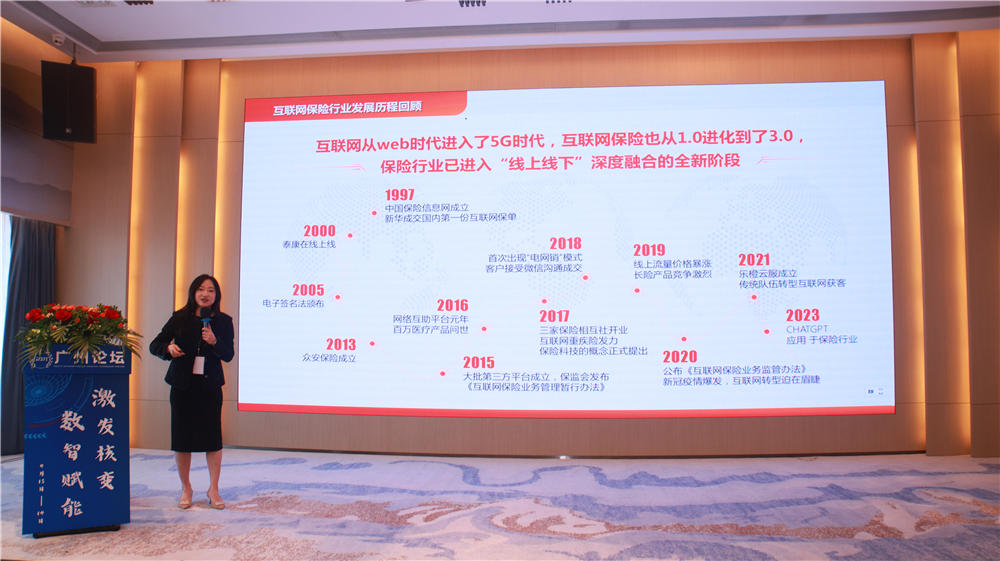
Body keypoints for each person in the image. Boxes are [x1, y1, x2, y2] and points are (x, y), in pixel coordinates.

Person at [149, 274, 234, 510]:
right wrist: (168, 349)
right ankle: (186, 488)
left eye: (211, 290)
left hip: (210, 386)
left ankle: (213, 489)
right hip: (182, 385)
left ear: (216, 295)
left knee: (213, 439)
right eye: (201, 289)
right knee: (182, 439)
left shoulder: (224, 321)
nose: (205, 294)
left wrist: (215, 342)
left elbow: (229, 355)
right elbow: (155, 345)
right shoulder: (180, 317)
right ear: (193, 292)